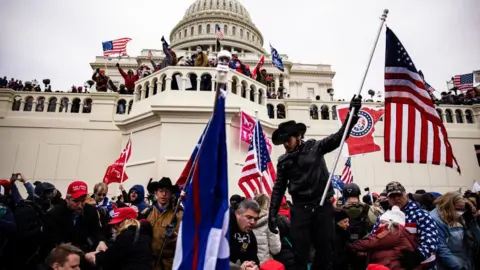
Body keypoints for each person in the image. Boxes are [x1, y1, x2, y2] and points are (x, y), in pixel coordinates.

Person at [268, 95, 362, 269]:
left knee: (325, 249)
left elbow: (339, 137)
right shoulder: (283, 161)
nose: (286, 145)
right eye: (283, 142)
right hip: (300, 209)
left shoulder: (315, 147)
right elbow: (278, 188)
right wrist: (272, 213)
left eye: (288, 140)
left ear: (298, 136)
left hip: (321, 207)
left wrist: (353, 114)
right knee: (300, 252)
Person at [372, 181, 438, 270]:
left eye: (399, 195)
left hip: (421, 265)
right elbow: (374, 237)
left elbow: (431, 239)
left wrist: (418, 255)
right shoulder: (383, 217)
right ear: (388, 199)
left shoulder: (421, 215)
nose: (396, 198)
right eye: (392, 196)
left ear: (406, 196)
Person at [42, 181, 108, 269]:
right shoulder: (54, 214)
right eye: (76, 201)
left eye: (83, 201)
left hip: (86, 258)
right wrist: (84, 254)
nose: (80, 205)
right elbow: (56, 242)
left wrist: (101, 241)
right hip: (62, 260)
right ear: (67, 199)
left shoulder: (90, 211)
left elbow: (97, 230)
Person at [349, 206, 419, 270]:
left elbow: (373, 242)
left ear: (390, 223)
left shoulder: (394, 231)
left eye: (382, 222)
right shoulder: (398, 232)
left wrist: (351, 245)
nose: (379, 225)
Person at [85, 207, 153, 270]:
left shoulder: (128, 235)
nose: (115, 227)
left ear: (126, 221)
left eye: (118, 223)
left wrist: (92, 256)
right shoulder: (142, 233)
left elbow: (109, 258)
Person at [430, 192, 480, 270]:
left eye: (462, 209)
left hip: (466, 261)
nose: (460, 212)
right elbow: (441, 249)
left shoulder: (461, 215)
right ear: (448, 205)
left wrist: (471, 221)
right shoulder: (436, 219)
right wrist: (459, 267)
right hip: (450, 265)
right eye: (458, 208)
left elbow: (477, 238)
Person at [142, 177, 182, 270]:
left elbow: (184, 240)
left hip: (169, 264)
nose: (164, 194)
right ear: (156, 193)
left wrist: (173, 236)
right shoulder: (147, 212)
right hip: (150, 263)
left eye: (167, 191)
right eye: (161, 191)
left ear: (171, 194)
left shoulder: (178, 214)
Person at [230, 199, 260, 269]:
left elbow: (253, 258)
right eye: (249, 217)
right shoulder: (224, 228)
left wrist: (253, 267)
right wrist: (238, 268)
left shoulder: (249, 235)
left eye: (256, 219)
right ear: (238, 214)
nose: (253, 222)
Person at [252, 194, 281, 265]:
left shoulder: (246, 220)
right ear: (267, 205)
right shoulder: (270, 223)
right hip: (264, 264)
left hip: (247, 264)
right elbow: (275, 250)